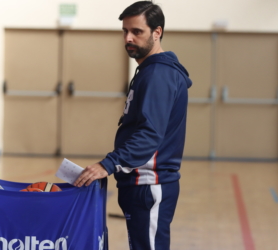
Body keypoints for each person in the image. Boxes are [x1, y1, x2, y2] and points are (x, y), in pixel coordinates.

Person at [74, 1, 192, 249]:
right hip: (138, 183)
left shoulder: (159, 74)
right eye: (125, 31)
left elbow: (149, 135)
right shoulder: (149, 70)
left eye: (137, 31)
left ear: (156, 32)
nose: (128, 37)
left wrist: (107, 164)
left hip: (149, 184)